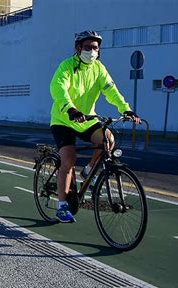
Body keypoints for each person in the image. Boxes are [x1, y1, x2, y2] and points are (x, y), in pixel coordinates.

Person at [49, 30, 141, 223]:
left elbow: (111, 91)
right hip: (64, 119)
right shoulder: (66, 66)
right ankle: (62, 206)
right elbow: (58, 89)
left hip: (87, 119)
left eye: (96, 48)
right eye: (88, 47)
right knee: (68, 159)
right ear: (78, 48)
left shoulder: (99, 68)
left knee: (108, 140)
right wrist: (70, 109)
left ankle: (89, 170)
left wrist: (127, 110)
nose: (92, 51)